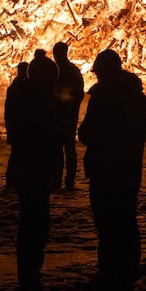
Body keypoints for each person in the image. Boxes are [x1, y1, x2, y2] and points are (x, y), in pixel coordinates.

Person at [78, 49, 146, 291]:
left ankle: (109, 276)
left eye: (98, 73)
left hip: (105, 169)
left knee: (108, 225)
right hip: (129, 169)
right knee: (126, 222)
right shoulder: (139, 98)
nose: (96, 77)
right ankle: (126, 274)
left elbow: (87, 134)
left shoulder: (103, 97)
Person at [4, 50, 65, 291]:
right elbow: (42, 140)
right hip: (32, 171)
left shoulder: (27, 97)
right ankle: (29, 284)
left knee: (33, 226)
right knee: (34, 228)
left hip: (29, 169)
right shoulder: (35, 104)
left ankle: (29, 280)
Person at [52, 41, 84, 192]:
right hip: (65, 116)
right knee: (62, 150)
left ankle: (64, 180)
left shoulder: (61, 71)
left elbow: (78, 94)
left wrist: (61, 101)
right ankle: (62, 180)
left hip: (64, 116)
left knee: (63, 149)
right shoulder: (71, 71)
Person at [3, 61, 30, 192]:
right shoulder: (22, 87)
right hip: (21, 126)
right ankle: (14, 180)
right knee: (19, 154)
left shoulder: (15, 86)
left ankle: (12, 180)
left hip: (16, 126)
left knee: (17, 154)